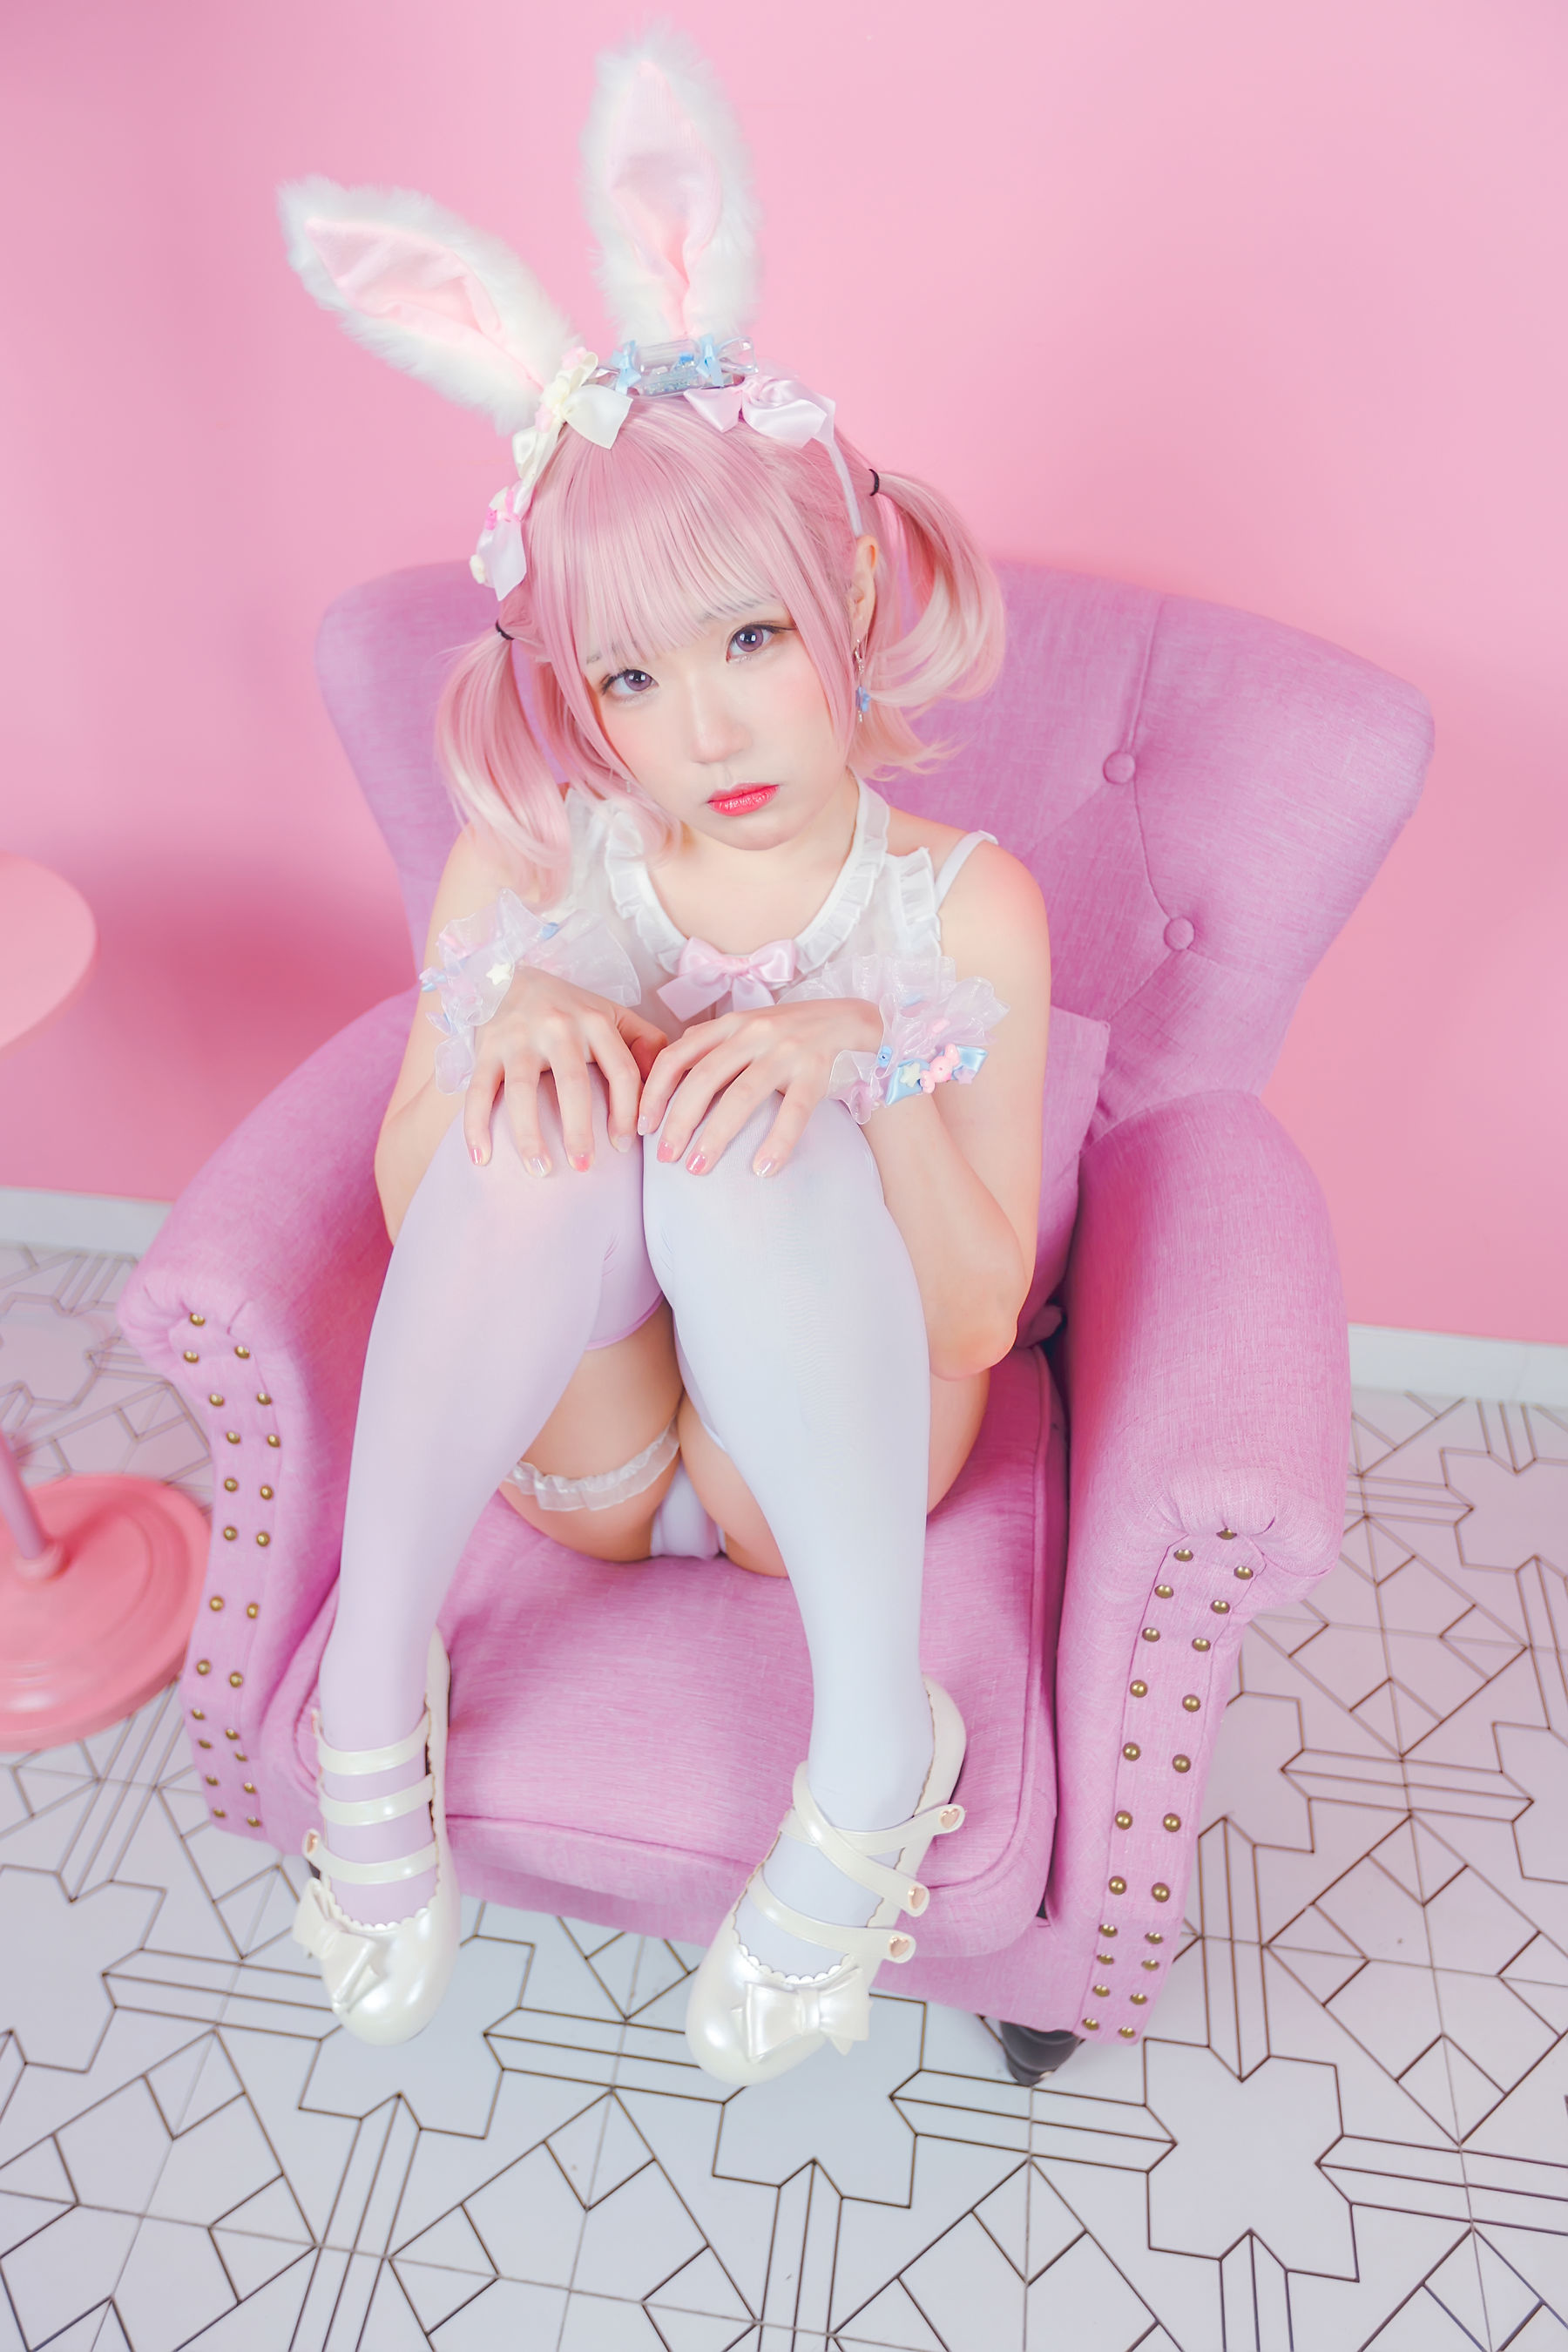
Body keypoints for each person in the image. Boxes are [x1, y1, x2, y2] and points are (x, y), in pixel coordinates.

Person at [278, 26, 1051, 2085]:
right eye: (631, 675)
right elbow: (416, 1203)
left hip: (820, 1481)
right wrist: (510, 1029)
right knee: (546, 1121)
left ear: (849, 591)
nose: (704, 732)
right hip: (597, 1449)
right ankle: (368, 1697)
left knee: (749, 1136)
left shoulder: (962, 910)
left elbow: (980, 1316)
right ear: (573, 690)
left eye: (751, 641)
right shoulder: (537, 860)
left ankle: (875, 1750)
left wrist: (853, 1059)